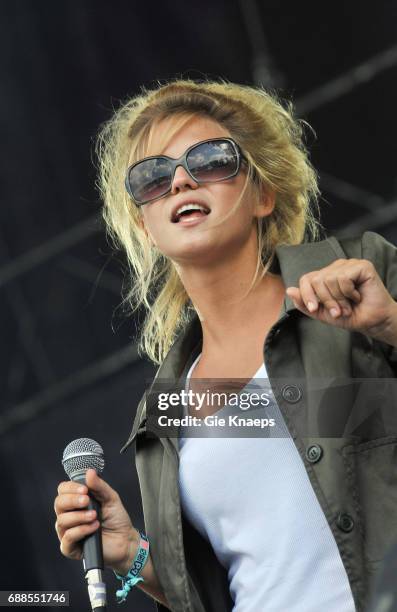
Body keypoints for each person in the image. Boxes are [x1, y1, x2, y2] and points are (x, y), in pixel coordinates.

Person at [53, 79, 397, 612]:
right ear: (144, 225)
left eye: (211, 160)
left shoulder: (359, 277)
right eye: (153, 177)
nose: (182, 181)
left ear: (263, 193)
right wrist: (131, 554)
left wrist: (389, 324)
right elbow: (217, 589)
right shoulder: (162, 414)